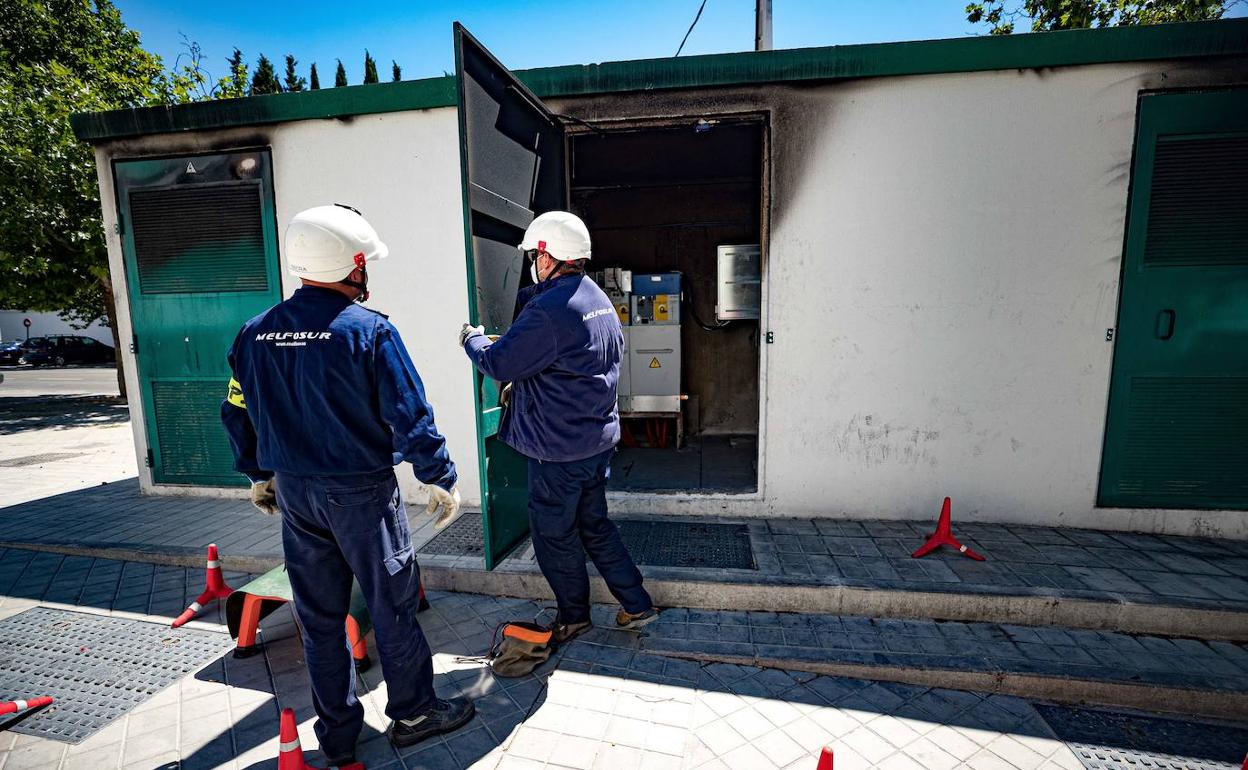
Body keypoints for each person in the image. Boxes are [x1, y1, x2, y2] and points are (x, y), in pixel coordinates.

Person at [221, 204, 474, 764]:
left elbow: (236, 409)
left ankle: (336, 734)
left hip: (295, 494)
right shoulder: (370, 331)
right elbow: (410, 413)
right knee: (391, 606)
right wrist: (438, 475)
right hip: (360, 495)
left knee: (318, 619)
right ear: (354, 264)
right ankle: (414, 713)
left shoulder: (254, 334)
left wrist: (256, 472)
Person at [459, 211, 658, 643]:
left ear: (547, 257)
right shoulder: (596, 298)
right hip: (595, 442)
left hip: (558, 451)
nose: (533, 262)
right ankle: (636, 603)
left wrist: (471, 339)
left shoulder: (550, 311)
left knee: (554, 535)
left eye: (534, 255)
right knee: (595, 525)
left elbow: (499, 363)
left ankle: (573, 616)